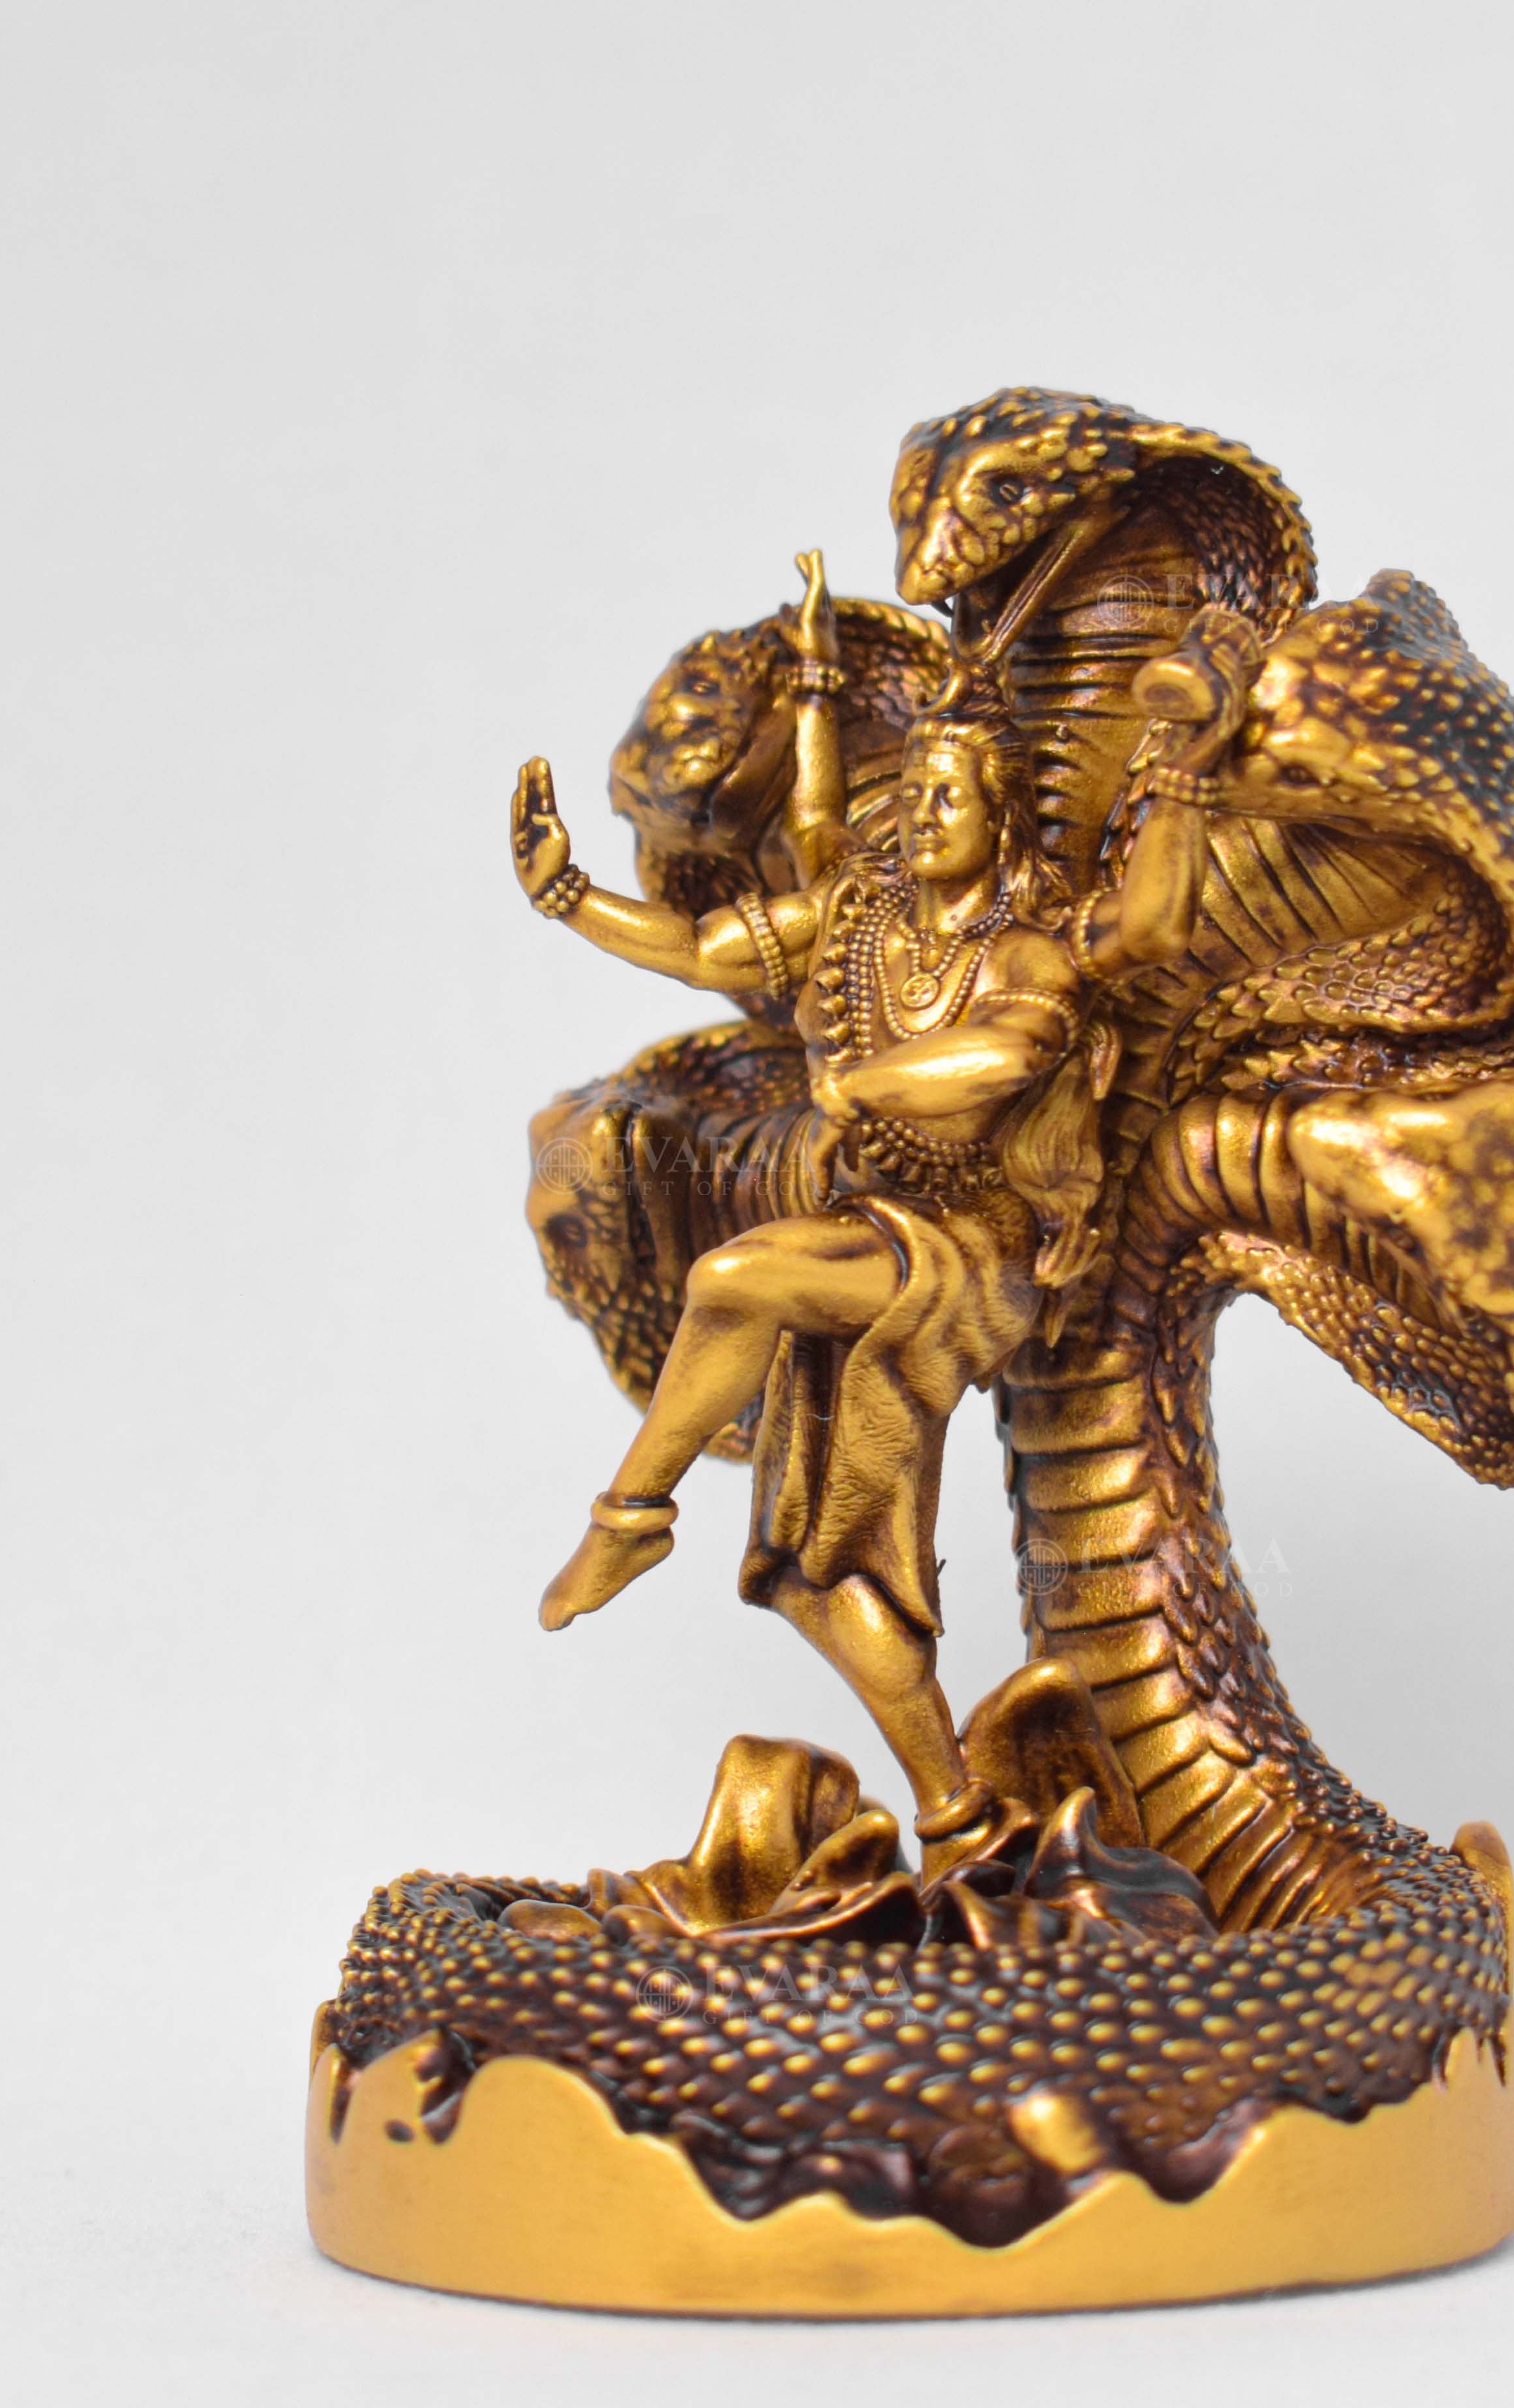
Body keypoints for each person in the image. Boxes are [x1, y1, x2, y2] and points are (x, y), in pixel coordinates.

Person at [512, 553, 1252, 1858]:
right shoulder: (857, 925)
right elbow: (704, 949)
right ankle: (957, 1811)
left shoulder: (1025, 950)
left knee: (734, 1279)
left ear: (998, 818)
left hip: (974, 1257)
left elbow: (1006, 1055)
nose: (923, 813)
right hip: (861, 1244)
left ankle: (628, 1521)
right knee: (822, 1574)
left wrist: (865, 1085)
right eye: (911, 792)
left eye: (949, 794)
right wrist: (570, 897)